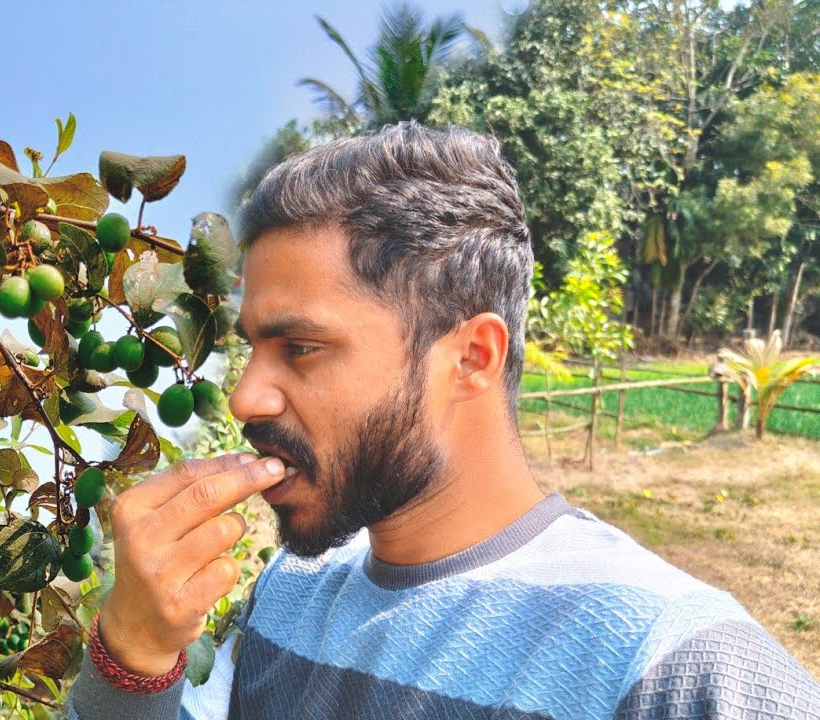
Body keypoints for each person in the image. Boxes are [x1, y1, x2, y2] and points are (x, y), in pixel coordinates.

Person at [65, 122, 820, 719]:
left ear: (471, 359)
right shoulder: (290, 593)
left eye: (300, 348)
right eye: (252, 348)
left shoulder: (673, 667)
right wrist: (135, 652)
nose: (245, 399)